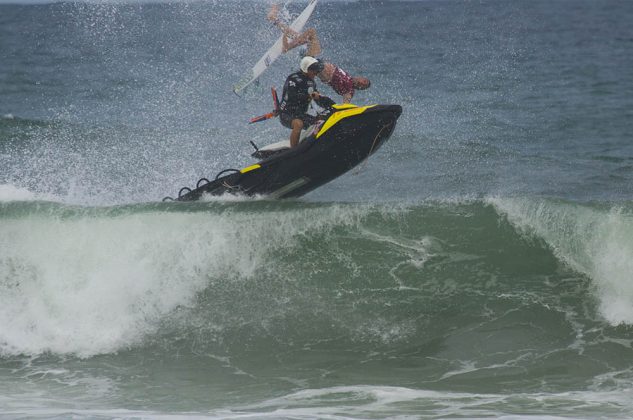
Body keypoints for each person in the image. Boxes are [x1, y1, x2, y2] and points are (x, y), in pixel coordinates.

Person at [268, 4, 371, 103]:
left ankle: (286, 46)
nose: (362, 81)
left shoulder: (349, 89)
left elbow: (346, 102)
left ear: (360, 88)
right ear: (360, 77)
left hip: (315, 66)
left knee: (310, 33)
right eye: (364, 80)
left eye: (364, 84)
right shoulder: (348, 77)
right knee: (303, 38)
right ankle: (275, 20)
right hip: (315, 62)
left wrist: (347, 111)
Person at [278, 56, 335, 147]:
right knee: (298, 124)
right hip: (286, 114)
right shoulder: (293, 78)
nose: (316, 73)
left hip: (300, 114)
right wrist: (310, 95)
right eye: (314, 70)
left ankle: (316, 145)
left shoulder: (312, 83)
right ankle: (294, 152)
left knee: (320, 122)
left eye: (316, 71)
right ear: (306, 69)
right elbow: (292, 95)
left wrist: (334, 106)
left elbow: (318, 100)